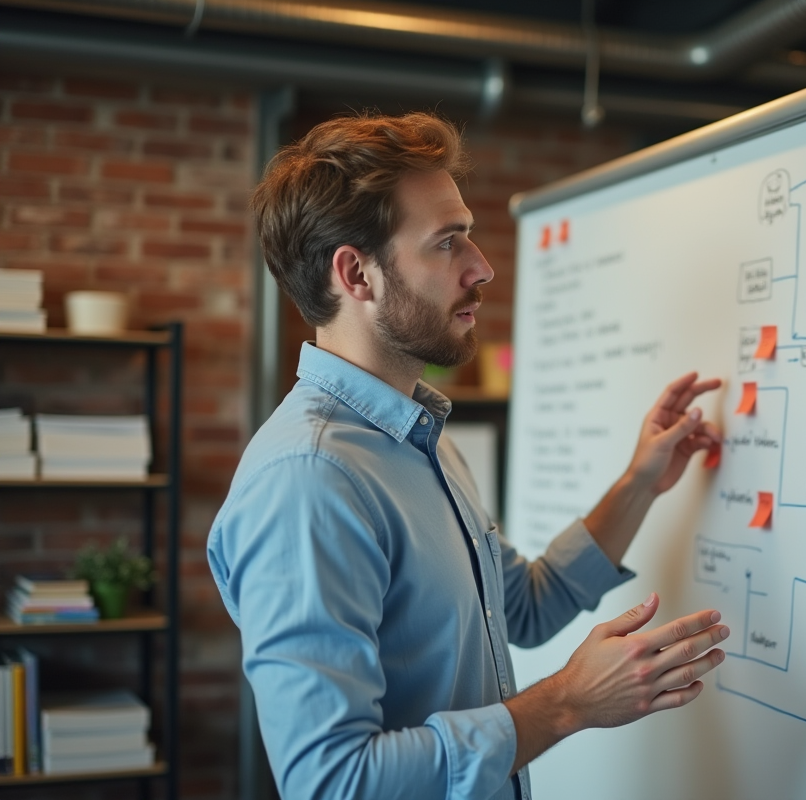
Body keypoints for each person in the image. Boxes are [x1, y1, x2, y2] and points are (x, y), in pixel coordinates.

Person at [206, 112, 728, 800]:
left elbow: (523, 607)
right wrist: (566, 702)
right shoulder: (310, 481)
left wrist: (639, 483)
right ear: (356, 273)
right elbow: (332, 781)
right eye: (448, 243)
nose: (481, 267)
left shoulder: (423, 438)